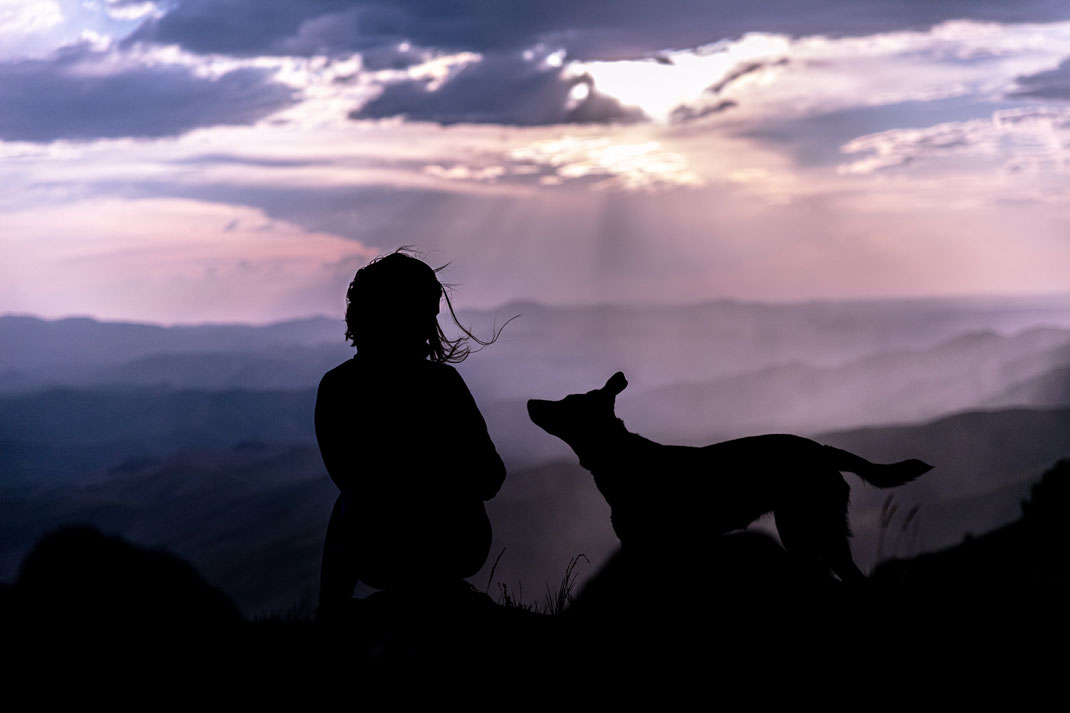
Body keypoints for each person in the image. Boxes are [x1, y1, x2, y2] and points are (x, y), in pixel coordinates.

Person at [315, 250, 507, 615]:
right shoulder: (443, 384)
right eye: (428, 310)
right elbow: (491, 478)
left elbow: (347, 480)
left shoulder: (337, 387)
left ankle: (331, 613)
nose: (434, 319)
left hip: (378, 554)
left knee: (344, 507)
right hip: (459, 548)